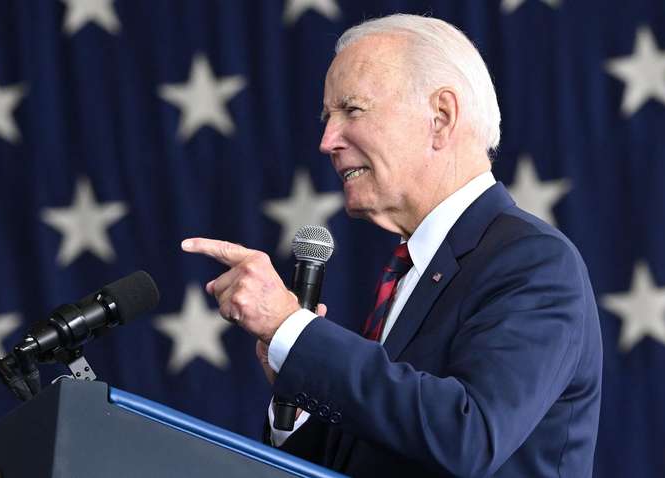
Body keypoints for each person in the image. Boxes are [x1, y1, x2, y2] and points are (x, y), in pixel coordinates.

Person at [181, 13, 602, 477]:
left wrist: (293, 330)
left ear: (441, 117)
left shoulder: (534, 262)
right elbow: (386, 450)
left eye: (352, 110)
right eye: (327, 118)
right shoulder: (413, 271)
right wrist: (296, 401)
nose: (327, 140)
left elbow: (468, 436)